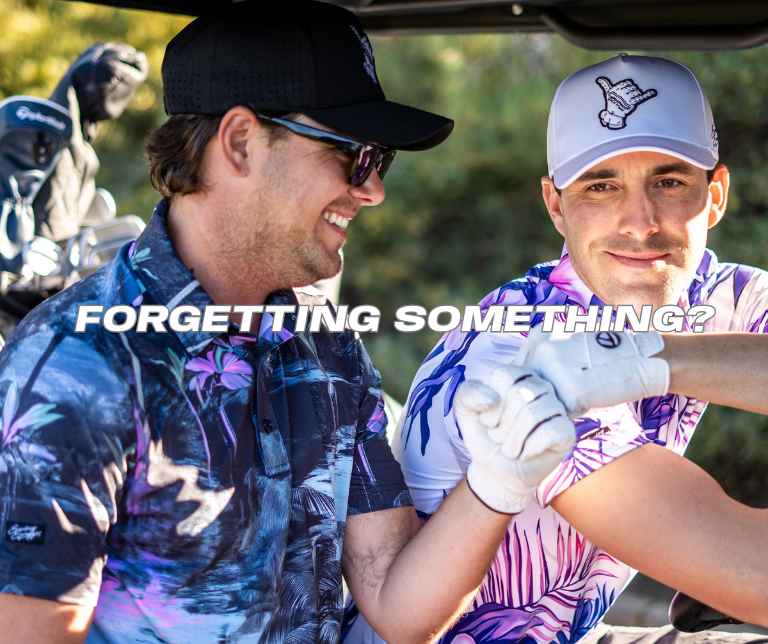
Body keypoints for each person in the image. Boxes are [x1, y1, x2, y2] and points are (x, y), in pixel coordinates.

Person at [0, 3, 578, 644]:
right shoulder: (76, 367)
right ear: (241, 142)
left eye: (378, 158)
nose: (373, 189)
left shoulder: (328, 347)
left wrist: (498, 481)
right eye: (352, 155)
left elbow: (392, 597)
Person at [342, 54, 768, 644]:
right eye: (602, 186)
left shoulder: (707, 292)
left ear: (714, 195)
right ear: (556, 206)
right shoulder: (519, 352)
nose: (641, 223)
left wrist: (655, 357)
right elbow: (752, 575)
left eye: (669, 182)